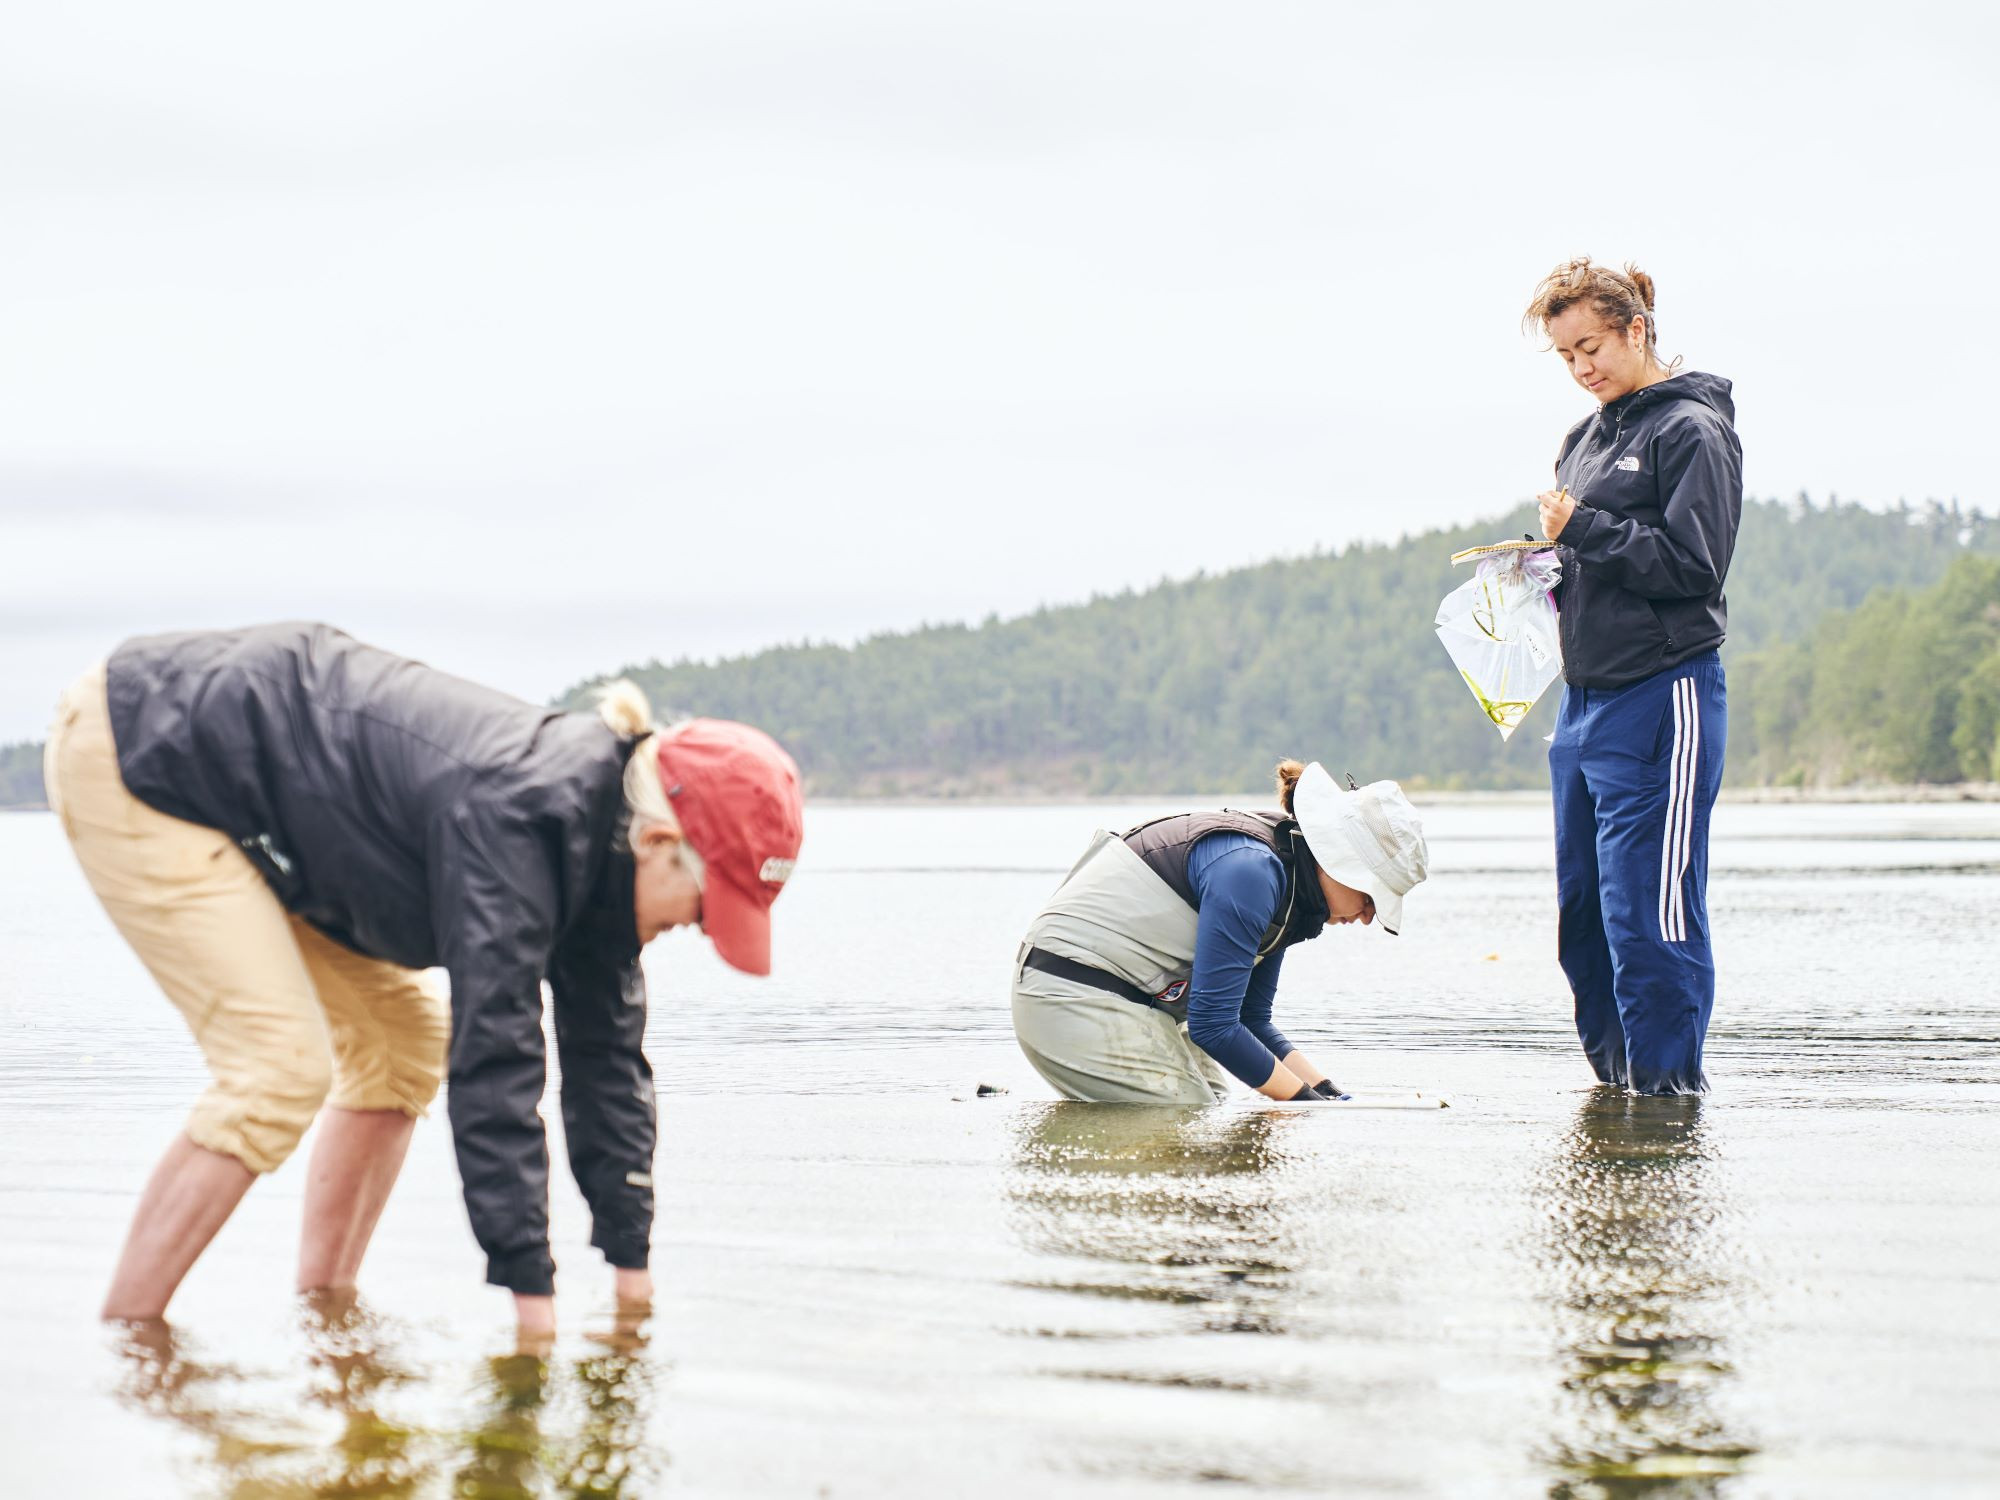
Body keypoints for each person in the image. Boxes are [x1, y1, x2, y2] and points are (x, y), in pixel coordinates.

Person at [42, 622, 804, 1334]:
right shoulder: (515, 821)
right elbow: (497, 1064)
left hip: (268, 799)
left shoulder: (601, 853)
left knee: (401, 1045)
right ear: (660, 840)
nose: (692, 931)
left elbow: (607, 1066)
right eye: (700, 911)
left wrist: (631, 1281)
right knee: (277, 1070)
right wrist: (532, 1311)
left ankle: (325, 1317)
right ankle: (129, 1348)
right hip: (147, 749)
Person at [1524, 257, 1742, 1094]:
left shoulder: (1691, 429)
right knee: (1588, 919)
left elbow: (1695, 566)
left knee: (1650, 916)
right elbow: (1595, 553)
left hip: (1664, 696)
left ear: (1637, 330)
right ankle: (1618, 1104)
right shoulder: (1583, 440)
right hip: (1581, 708)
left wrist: (1584, 528)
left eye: (1591, 346)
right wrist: (1541, 566)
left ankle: (1666, 1100)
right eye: (1566, 355)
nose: (1581, 368)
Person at [1009, 760, 1428, 1103]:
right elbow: (1214, 1026)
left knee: (1211, 1104)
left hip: (1140, 1001)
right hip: (1071, 990)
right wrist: (1305, 1107)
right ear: (1341, 862)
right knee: (1184, 1110)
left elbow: (1250, 1020)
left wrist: (1330, 1094)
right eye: (1371, 897)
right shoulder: (1251, 873)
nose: (1368, 916)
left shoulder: (1291, 883)